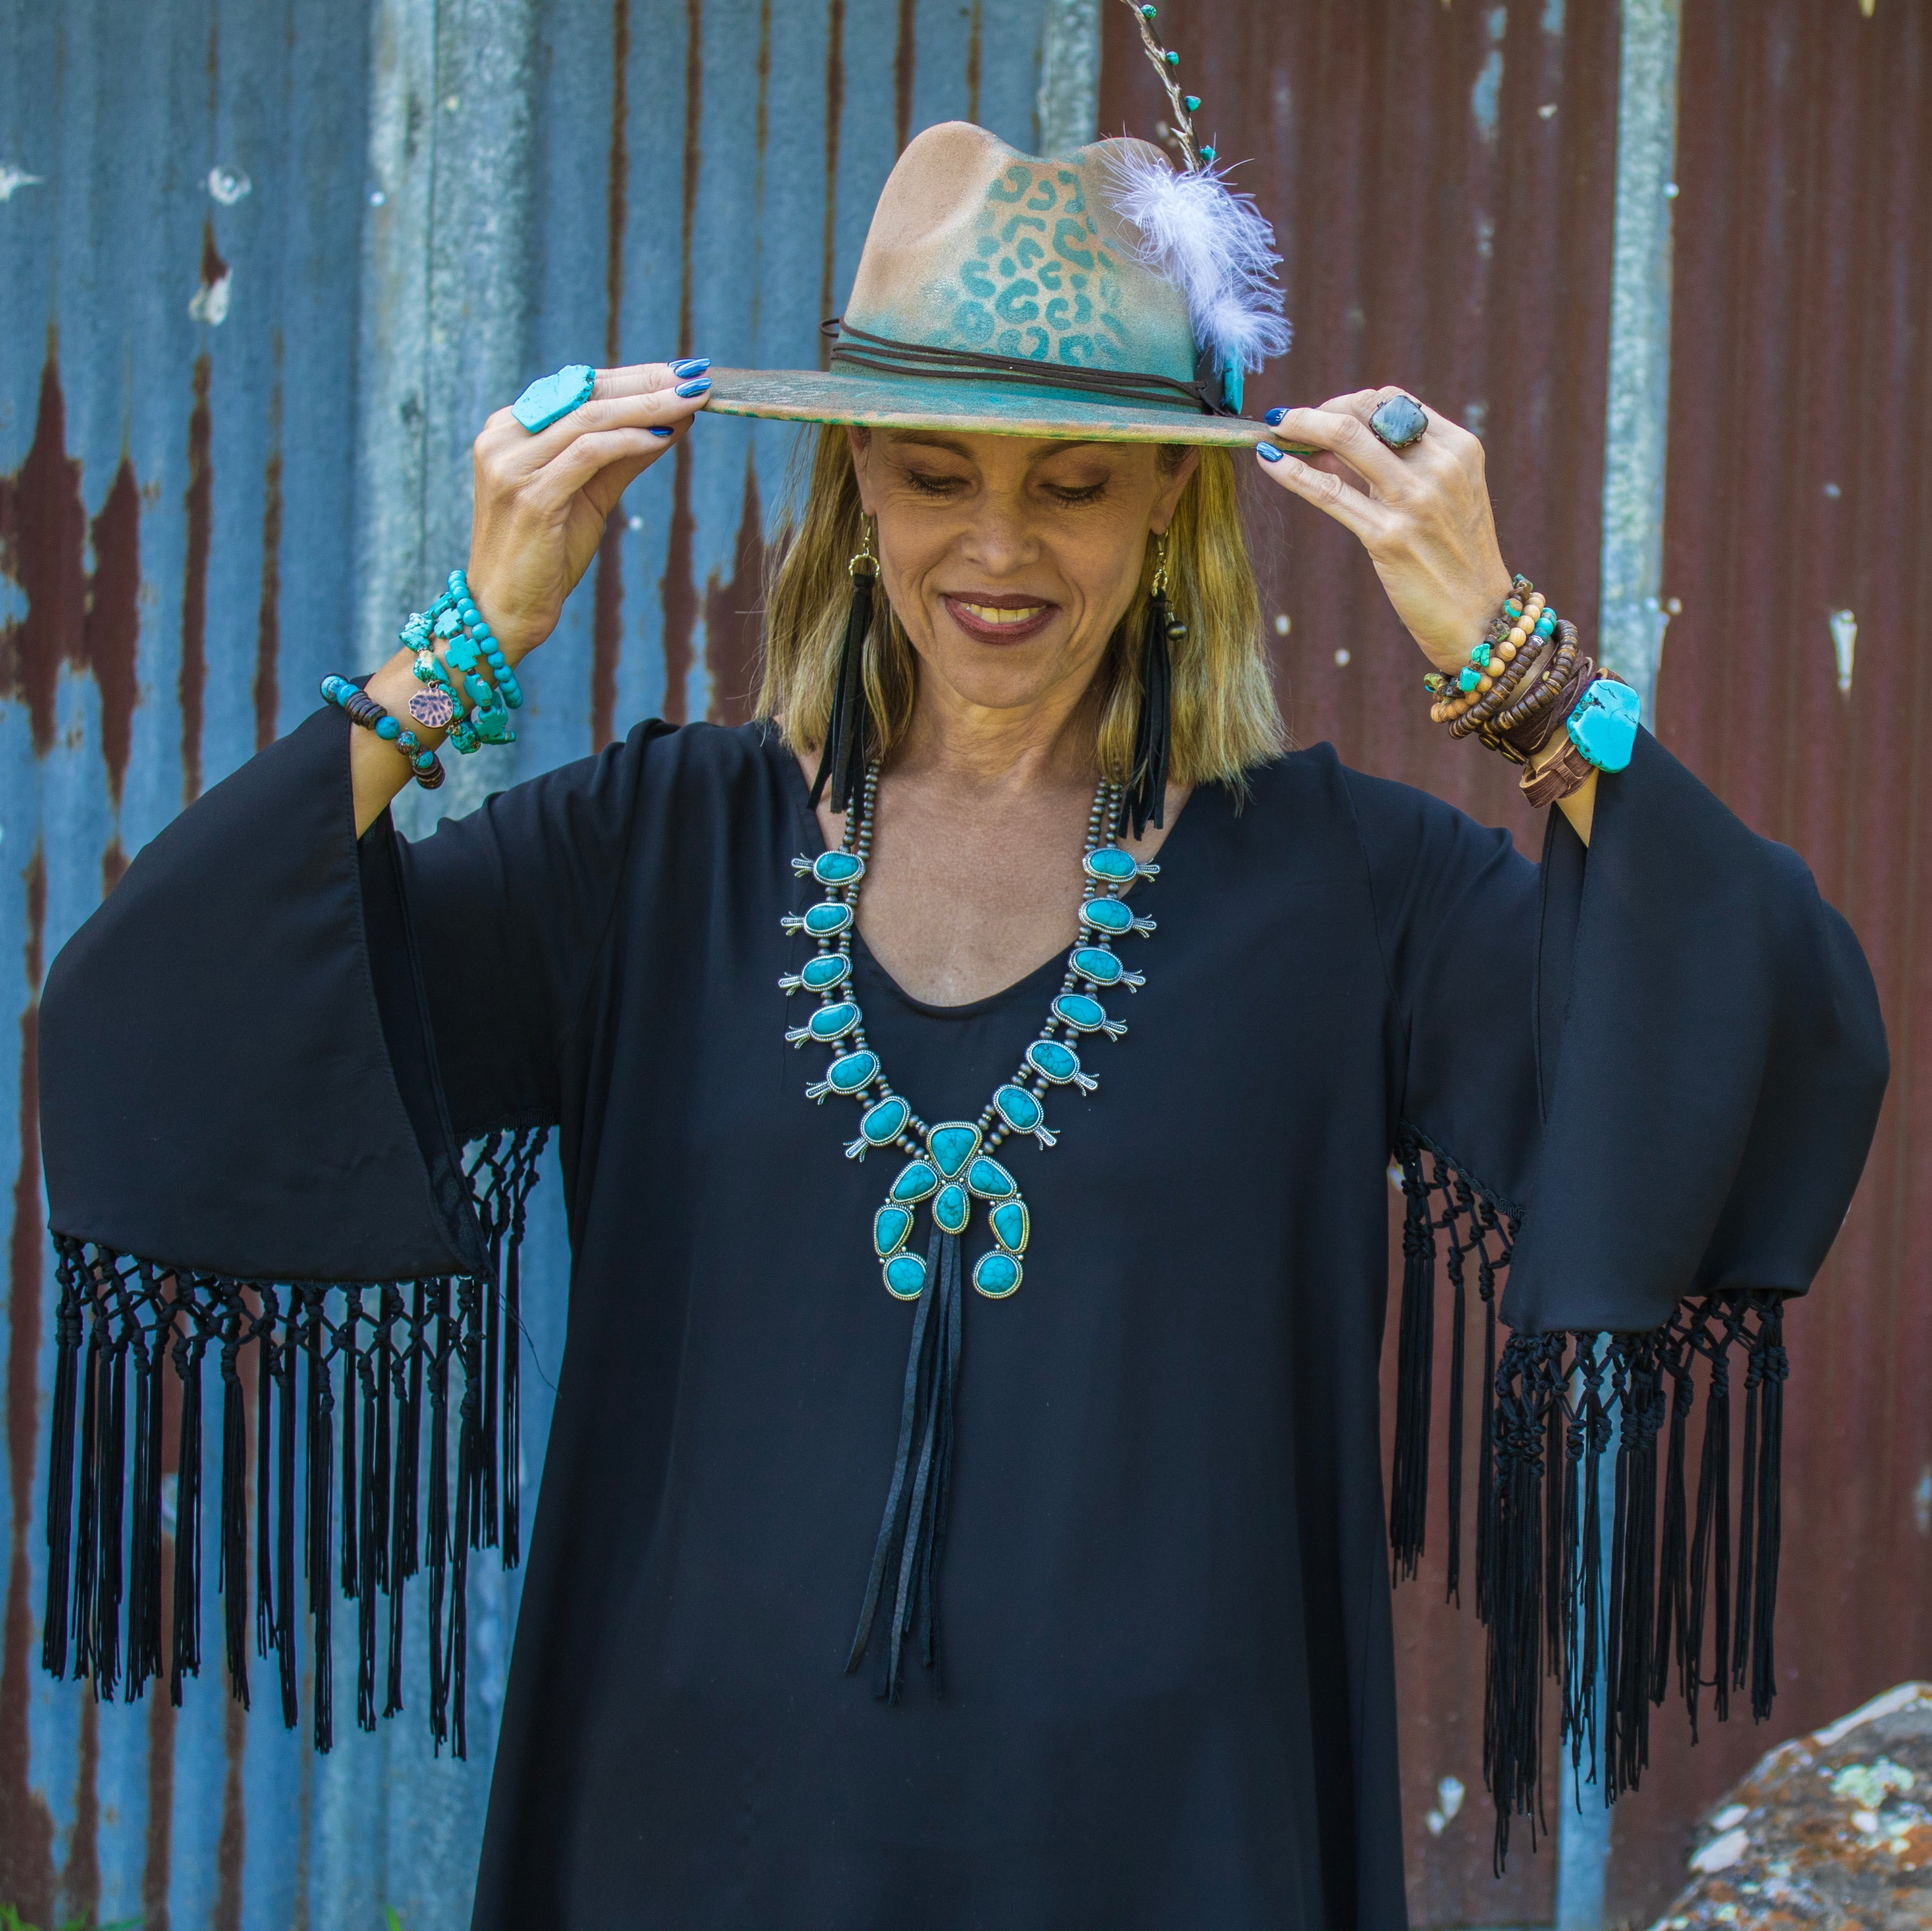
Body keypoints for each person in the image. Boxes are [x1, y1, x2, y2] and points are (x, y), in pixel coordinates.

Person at [36, 101, 1884, 1931]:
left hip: (1172, 1856)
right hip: (696, 1846)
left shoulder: (1349, 890)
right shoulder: (647, 853)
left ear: (1171, 500)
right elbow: (160, 1008)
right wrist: (467, 640)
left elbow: (1773, 1032)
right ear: (855, 484)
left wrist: (1513, 664)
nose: (995, 548)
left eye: (1070, 484)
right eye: (933, 473)